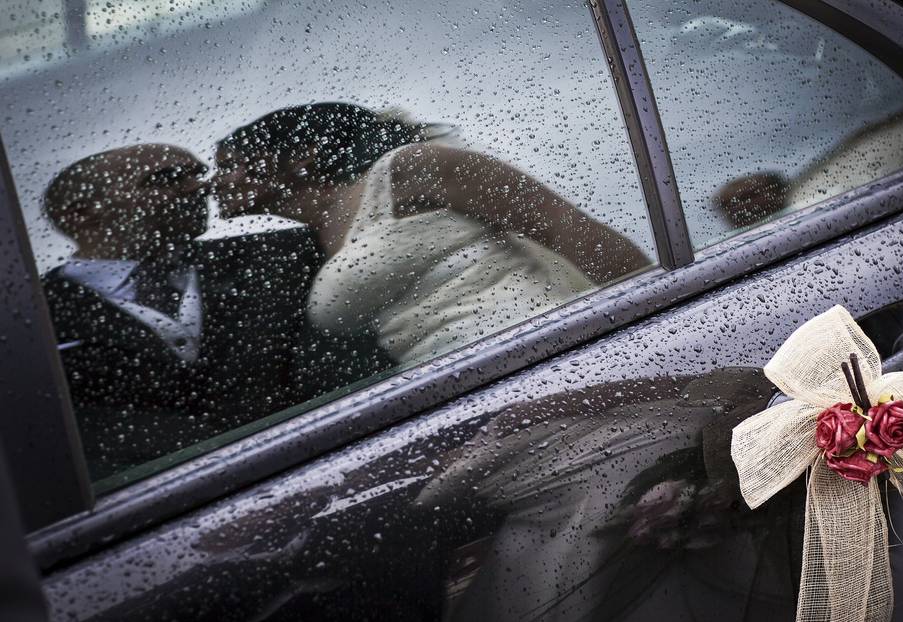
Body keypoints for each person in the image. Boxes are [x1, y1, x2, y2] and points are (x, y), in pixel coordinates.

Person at [215, 103, 652, 367]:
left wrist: (660, 325)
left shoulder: (408, 170)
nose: (215, 182)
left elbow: (566, 228)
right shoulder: (306, 249)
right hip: (448, 388)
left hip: (543, 350)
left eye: (229, 163)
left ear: (302, 157)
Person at [42, 144, 322, 480]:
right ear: (80, 214)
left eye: (197, 174)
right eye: (164, 178)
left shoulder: (280, 254)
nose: (200, 187)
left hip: (323, 456)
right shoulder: (32, 320)